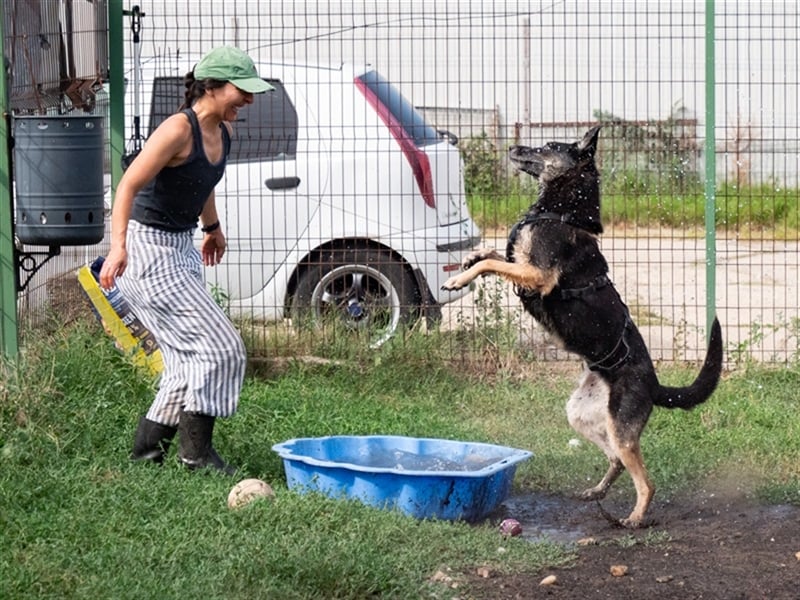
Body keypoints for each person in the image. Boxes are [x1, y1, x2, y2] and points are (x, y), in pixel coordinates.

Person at [99, 46, 274, 474]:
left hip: (180, 247)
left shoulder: (223, 134)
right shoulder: (177, 129)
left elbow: (203, 182)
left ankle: (146, 452)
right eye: (241, 92)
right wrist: (118, 245)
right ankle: (196, 456)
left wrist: (211, 228)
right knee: (222, 348)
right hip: (148, 251)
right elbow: (127, 187)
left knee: (185, 360)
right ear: (211, 88)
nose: (248, 101)